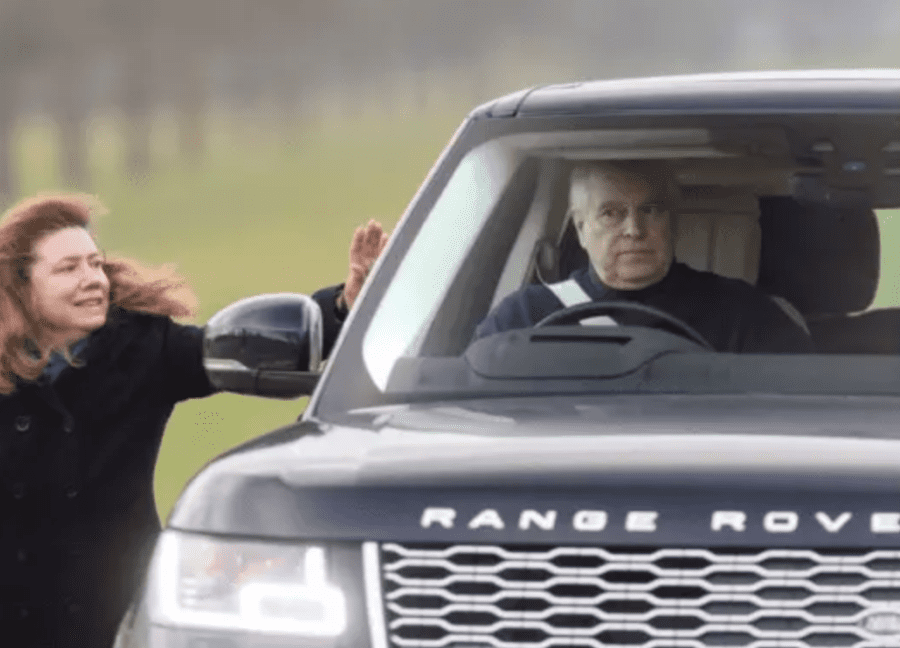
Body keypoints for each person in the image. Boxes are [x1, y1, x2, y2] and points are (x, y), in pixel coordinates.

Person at [0, 194, 387, 647]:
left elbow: (247, 346)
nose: (92, 280)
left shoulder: (141, 347)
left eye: (95, 263)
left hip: (121, 619)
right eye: (68, 269)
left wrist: (342, 306)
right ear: (20, 286)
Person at [474, 160, 814, 353]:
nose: (634, 230)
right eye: (611, 213)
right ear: (581, 229)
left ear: (672, 223)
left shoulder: (743, 315)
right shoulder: (523, 318)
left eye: (651, 210)